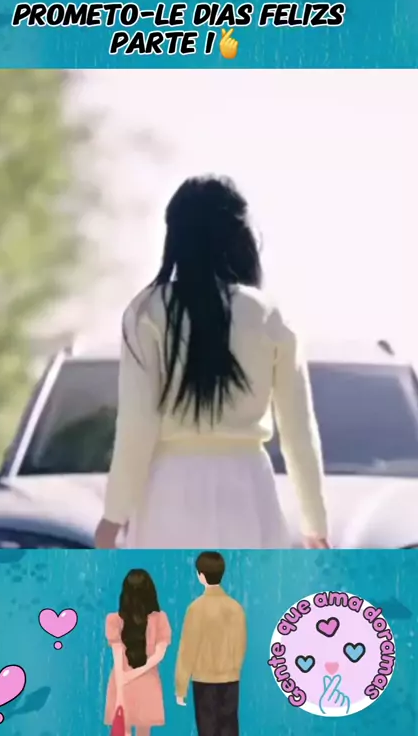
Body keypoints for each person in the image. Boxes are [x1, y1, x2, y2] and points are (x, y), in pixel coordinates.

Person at [95, 174, 330, 549]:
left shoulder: (146, 312)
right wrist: (315, 522)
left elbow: (137, 425)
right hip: (249, 490)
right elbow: (298, 431)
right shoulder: (268, 315)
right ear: (239, 236)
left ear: (175, 236)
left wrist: (114, 515)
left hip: (168, 493)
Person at [175, 551, 246, 736]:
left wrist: (181, 686)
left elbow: (187, 650)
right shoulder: (236, 608)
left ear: (200, 576)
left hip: (204, 679)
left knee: (207, 728)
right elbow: (241, 645)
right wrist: (234, 668)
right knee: (229, 727)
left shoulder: (196, 609)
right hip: (230, 679)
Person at [104, 569, 171, 736]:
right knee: (144, 730)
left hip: (122, 680)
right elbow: (158, 655)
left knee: (124, 729)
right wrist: (133, 675)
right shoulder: (160, 618)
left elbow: (118, 659)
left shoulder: (114, 620)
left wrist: (122, 688)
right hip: (147, 680)